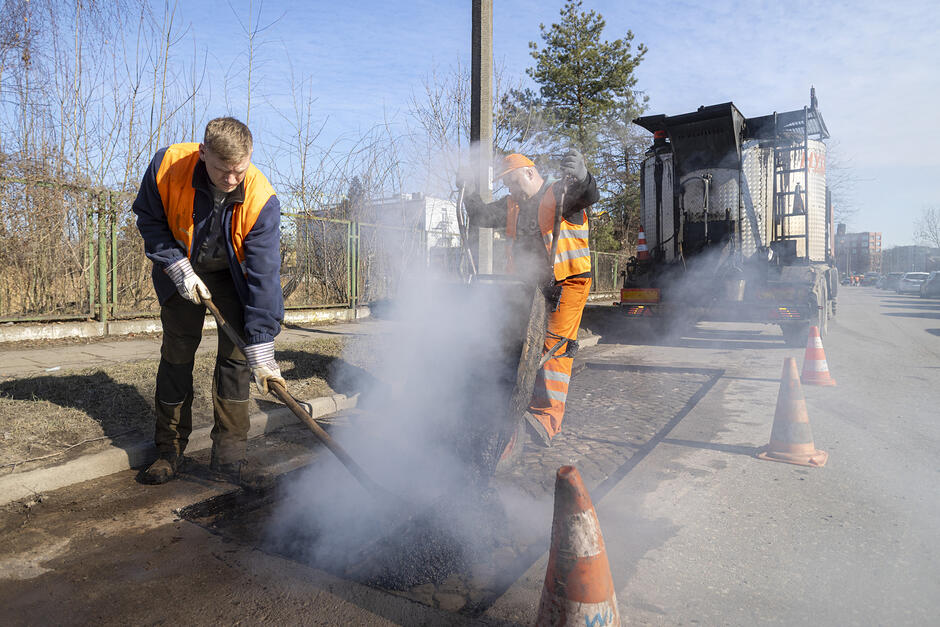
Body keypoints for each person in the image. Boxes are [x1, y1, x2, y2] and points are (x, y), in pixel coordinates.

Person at [132, 117, 284, 484]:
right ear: (203, 154)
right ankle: (169, 450)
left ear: (249, 158)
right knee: (177, 356)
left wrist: (262, 345)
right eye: (222, 170)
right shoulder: (167, 166)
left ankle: (230, 459)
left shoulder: (262, 199)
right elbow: (149, 219)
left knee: (236, 362)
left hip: (232, 279)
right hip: (181, 268)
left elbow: (264, 275)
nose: (231, 180)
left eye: (239, 170)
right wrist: (176, 265)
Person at [464, 149, 599, 449]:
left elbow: (589, 193)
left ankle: (545, 420)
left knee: (554, 345)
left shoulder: (561, 193)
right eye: (507, 185)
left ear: (529, 173)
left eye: (513, 182)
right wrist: (468, 191)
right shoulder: (513, 204)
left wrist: (582, 175)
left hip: (568, 283)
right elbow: (482, 215)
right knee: (515, 341)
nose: (511, 190)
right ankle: (509, 400)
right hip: (529, 285)